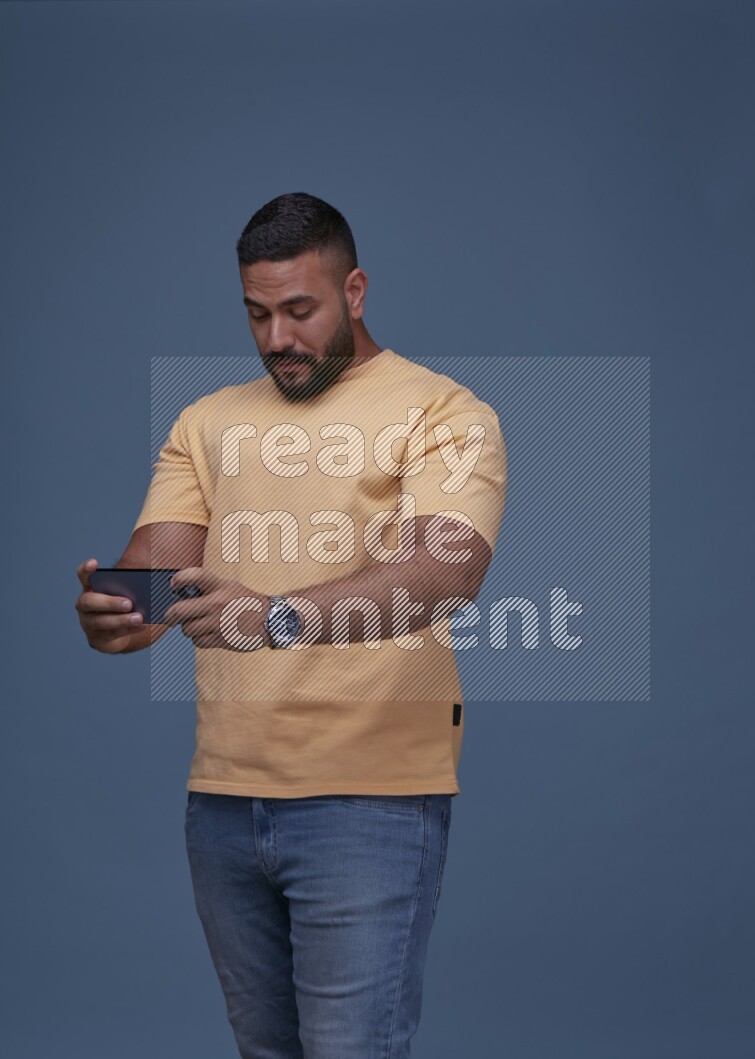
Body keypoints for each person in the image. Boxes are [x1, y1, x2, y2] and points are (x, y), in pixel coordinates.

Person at [75, 192, 507, 1058]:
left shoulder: (444, 413)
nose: (278, 337)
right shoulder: (207, 422)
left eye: (300, 310)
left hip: (372, 801)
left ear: (354, 290)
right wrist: (116, 612)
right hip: (224, 802)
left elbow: (445, 571)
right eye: (257, 313)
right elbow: (158, 578)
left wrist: (275, 617)